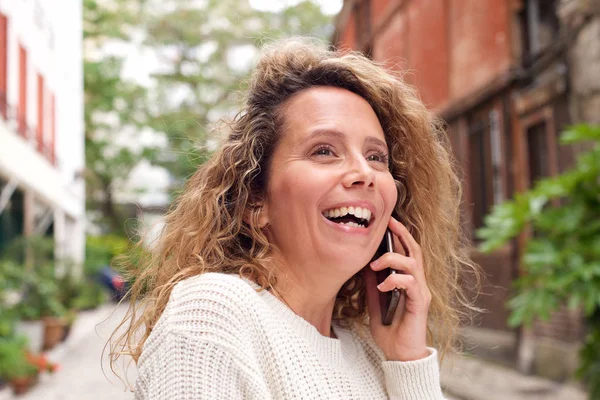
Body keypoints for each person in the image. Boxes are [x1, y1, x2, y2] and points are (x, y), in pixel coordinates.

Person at [111, 38, 479, 399]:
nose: (364, 172)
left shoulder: (367, 349)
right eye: (324, 151)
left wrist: (407, 360)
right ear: (255, 201)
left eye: (377, 157)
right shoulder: (211, 315)